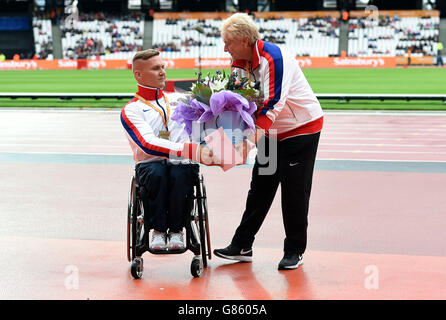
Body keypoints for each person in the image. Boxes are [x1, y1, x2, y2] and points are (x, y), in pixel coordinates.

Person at [213, 13, 324, 270]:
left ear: (243, 40)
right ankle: (242, 245)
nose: (225, 48)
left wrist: (246, 145)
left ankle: (295, 250)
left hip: (301, 129)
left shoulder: (274, 58)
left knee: (294, 190)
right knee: (260, 187)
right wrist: (223, 142)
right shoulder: (238, 63)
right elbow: (240, 107)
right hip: (271, 133)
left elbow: (272, 106)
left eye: (228, 42)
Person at [121, 49, 217, 251]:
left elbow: (203, 126)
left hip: (181, 164)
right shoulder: (132, 109)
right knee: (157, 173)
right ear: (138, 74)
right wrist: (189, 150)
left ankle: (176, 230)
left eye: (163, 67)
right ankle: (157, 230)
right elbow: (147, 143)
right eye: (156, 68)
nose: (162, 72)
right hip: (149, 164)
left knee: (181, 172)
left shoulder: (178, 99)